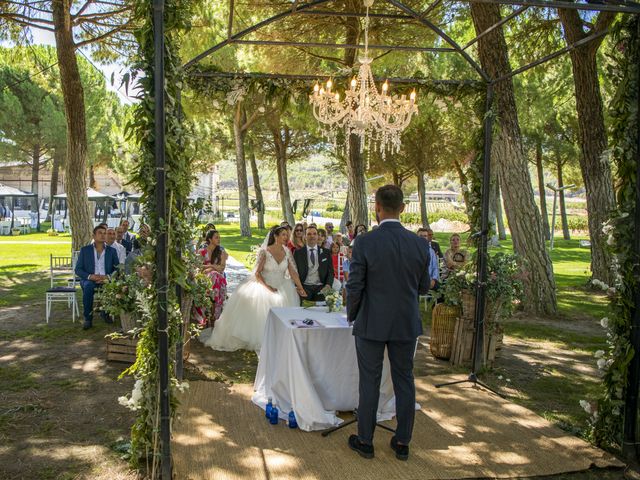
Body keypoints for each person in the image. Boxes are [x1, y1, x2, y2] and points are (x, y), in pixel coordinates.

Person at [346, 185, 430, 461]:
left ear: (377, 208)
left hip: (371, 321)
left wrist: (352, 314)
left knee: (369, 382)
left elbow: (355, 285)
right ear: (403, 208)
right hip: (405, 321)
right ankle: (403, 441)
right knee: (404, 380)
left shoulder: (366, 242)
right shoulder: (420, 243)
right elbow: (422, 287)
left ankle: (365, 440)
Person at [204, 226, 307, 352]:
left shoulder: (287, 252)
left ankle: (282, 337)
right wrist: (268, 287)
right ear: (275, 236)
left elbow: (293, 272)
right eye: (284, 234)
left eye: (287, 235)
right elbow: (257, 273)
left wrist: (300, 288)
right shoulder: (265, 252)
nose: (286, 237)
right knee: (266, 304)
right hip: (264, 283)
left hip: (283, 285)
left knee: (285, 302)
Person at [75, 225, 121, 330]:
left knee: (111, 286)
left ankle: (106, 313)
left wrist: (108, 276)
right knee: (88, 287)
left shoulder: (111, 251)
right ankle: (88, 319)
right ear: (94, 236)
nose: (103, 235)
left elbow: (117, 268)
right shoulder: (85, 250)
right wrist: (90, 276)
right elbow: (78, 269)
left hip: (106, 279)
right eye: (100, 233)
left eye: (104, 233)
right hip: (89, 279)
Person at [293, 226, 334, 301]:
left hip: (321, 286)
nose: (312, 236)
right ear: (305, 237)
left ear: (318, 236)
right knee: (304, 308)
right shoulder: (298, 253)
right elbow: (294, 272)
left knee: (322, 308)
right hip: (304, 286)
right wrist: (298, 287)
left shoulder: (326, 252)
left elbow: (331, 271)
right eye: (309, 234)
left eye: (314, 234)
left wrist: (328, 285)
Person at [199, 229, 228, 326]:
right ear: (210, 240)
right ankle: (214, 312)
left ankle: (213, 312)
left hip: (216, 279)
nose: (219, 239)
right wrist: (213, 268)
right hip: (204, 278)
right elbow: (198, 267)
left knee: (215, 275)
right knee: (215, 275)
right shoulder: (202, 252)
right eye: (216, 237)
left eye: (219, 237)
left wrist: (210, 267)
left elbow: (222, 268)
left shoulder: (221, 252)